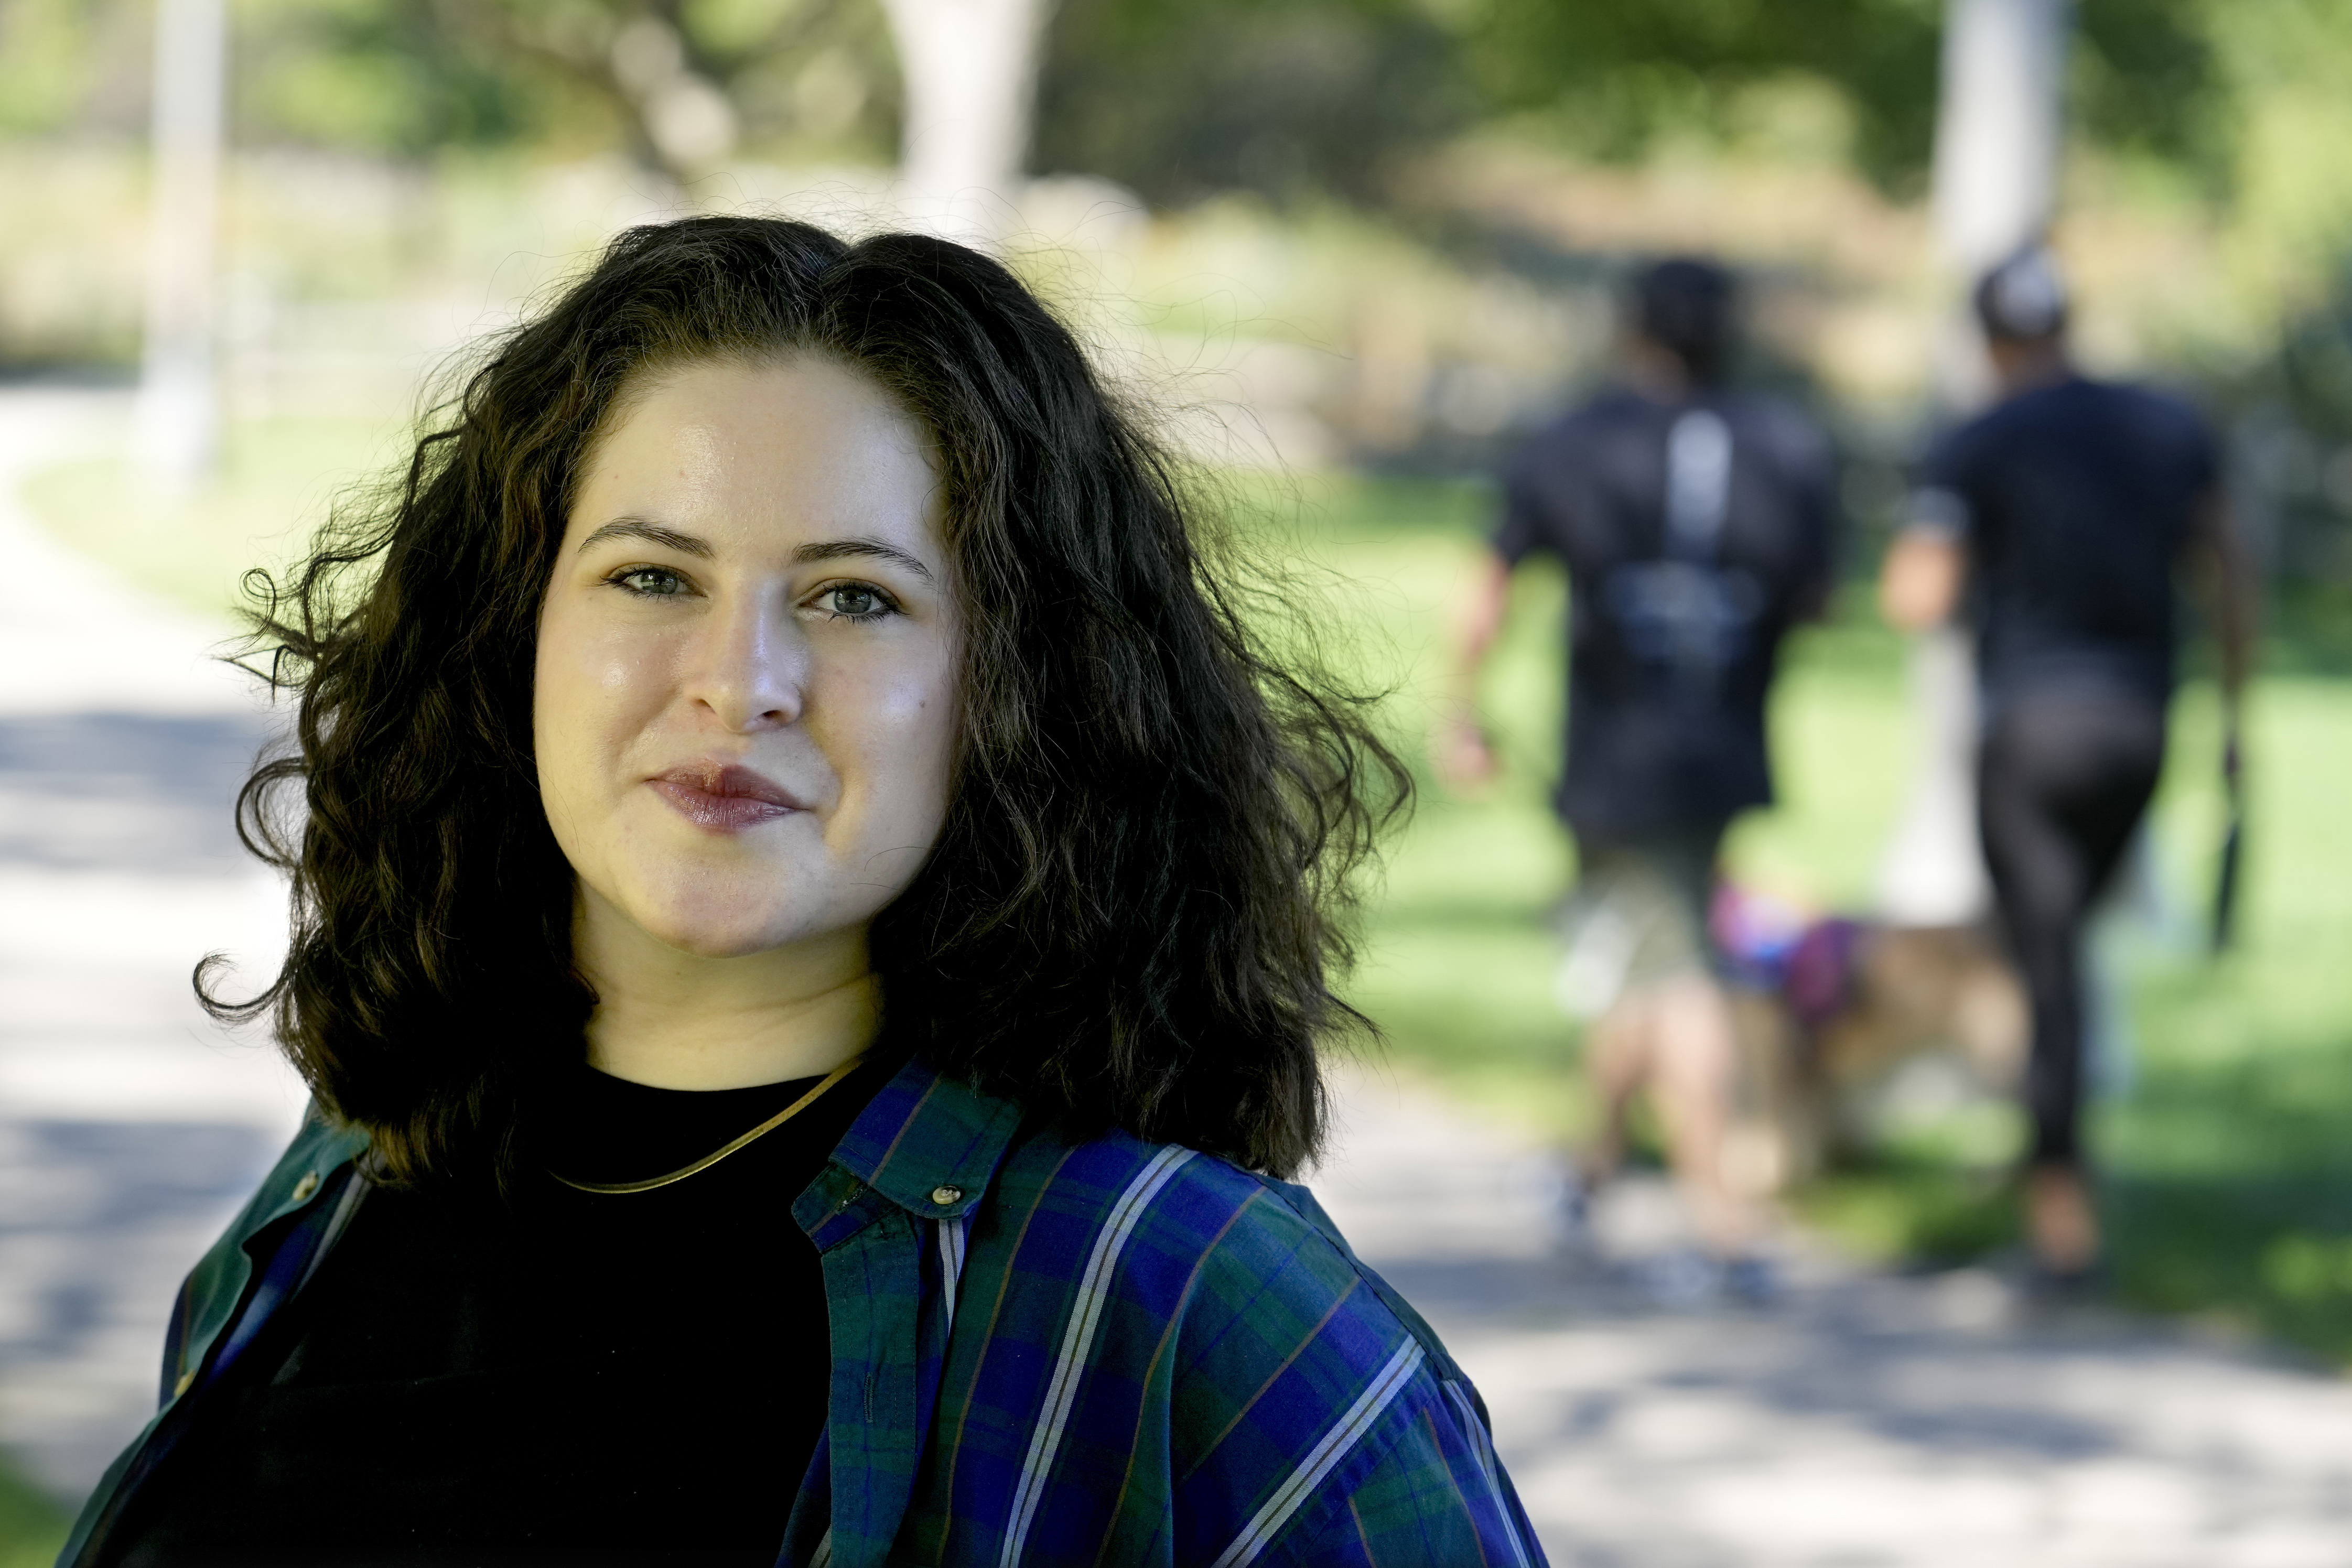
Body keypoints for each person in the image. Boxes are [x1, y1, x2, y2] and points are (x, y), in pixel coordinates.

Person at [61, 218, 1544, 1568]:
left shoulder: (1185, 1310)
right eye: (651, 577)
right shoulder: (341, 1188)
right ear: (513, 631)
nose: (737, 682)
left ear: (1018, 690)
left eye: (854, 599)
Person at [1436, 258, 1836, 1300]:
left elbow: (1489, 584)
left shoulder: (1575, 438)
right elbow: (1817, 599)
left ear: (1630, 331)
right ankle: (1590, 1167)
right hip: (1720, 746)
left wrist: (1462, 708)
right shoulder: (1786, 443)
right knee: (1649, 942)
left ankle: (1725, 1229)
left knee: (1670, 965)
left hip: (1614, 749)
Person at [1879, 246, 2254, 1286]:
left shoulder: (1979, 436)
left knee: (2042, 964)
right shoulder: (2164, 423)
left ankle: (2059, 1230)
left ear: (1987, 338)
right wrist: (2234, 715)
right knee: (2056, 958)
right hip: (2138, 725)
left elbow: (1911, 593)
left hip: (2029, 732)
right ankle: (2046, 1157)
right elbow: (2229, 569)